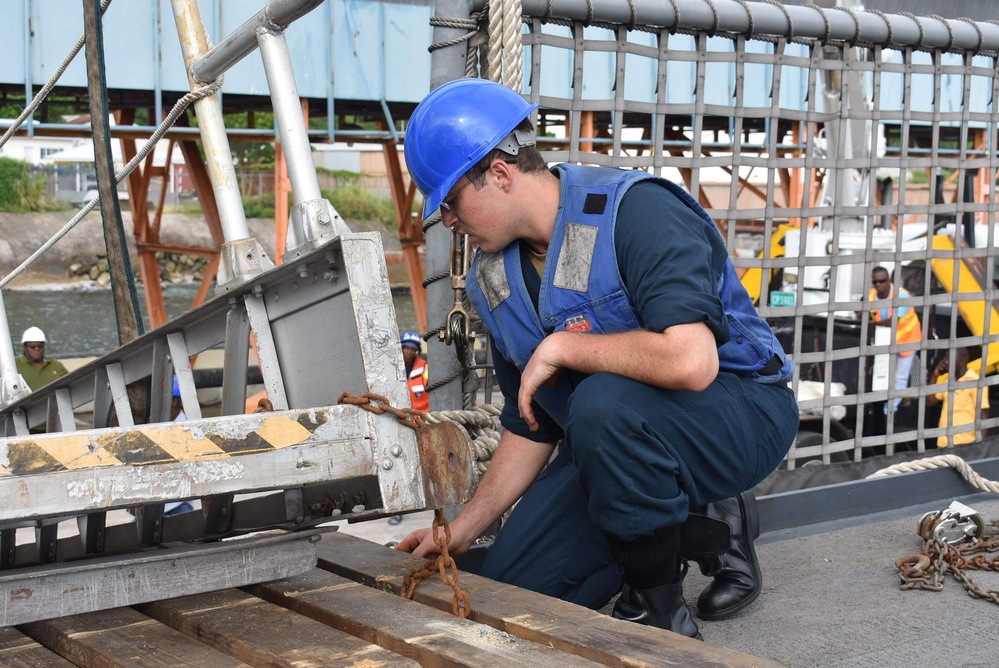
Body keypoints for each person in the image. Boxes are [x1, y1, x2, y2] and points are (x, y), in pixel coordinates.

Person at [396, 79, 799, 639]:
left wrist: (564, 346)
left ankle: (660, 607)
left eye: (451, 203)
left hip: (740, 411)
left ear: (499, 174)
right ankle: (700, 523)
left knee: (603, 403)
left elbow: (692, 363)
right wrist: (463, 530)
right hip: (615, 442)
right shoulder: (496, 280)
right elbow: (528, 423)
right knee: (518, 592)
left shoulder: (639, 213)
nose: (450, 222)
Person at [868, 266, 922, 413]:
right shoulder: (871, 295)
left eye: (882, 281)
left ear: (889, 281)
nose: (878, 284)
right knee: (883, 375)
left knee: (900, 377)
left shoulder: (902, 295)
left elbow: (892, 322)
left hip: (907, 340)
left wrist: (869, 322)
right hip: (886, 342)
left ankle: (889, 410)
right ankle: (881, 408)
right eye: (875, 282)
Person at [926, 348, 989, 448]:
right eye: (945, 358)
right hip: (944, 443)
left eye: (949, 358)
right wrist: (935, 375)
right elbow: (930, 401)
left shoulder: (975, 380)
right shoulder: (948, 380)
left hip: (965, 443)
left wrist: (980, 446)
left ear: (961, 362)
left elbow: (983, 414)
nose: (945, 362)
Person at [15, 326, 68, 391]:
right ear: (24, 347)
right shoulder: (14, 367)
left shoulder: (57, 365)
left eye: (40, 346)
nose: (37, 349)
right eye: (32, 346)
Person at [401, 331, 430, 412]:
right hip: (399, 416)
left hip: (423, 418)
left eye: (413, 349)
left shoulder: (425, 368)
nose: (409, 352)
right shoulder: (390, 368)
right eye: (406, 348)